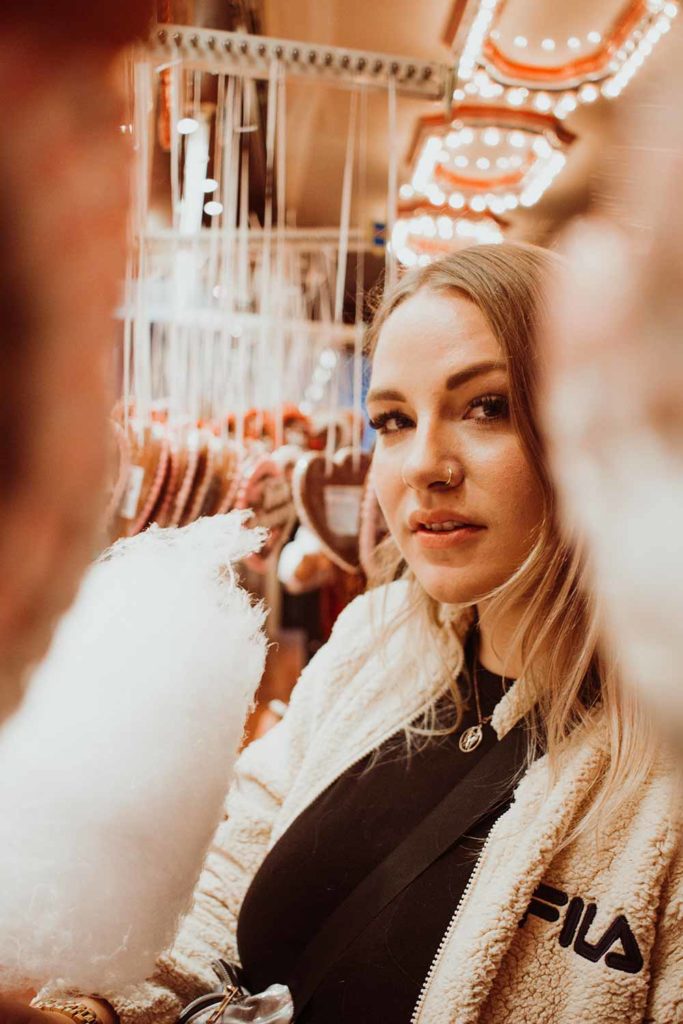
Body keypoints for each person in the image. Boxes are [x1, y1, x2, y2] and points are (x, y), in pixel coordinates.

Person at [33, 245, 682, 1024]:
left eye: (487, 406)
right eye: (393, 421)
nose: (424, 466)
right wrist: (94, 1010)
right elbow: (228, 867)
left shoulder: (662, 771)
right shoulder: (372, 644)